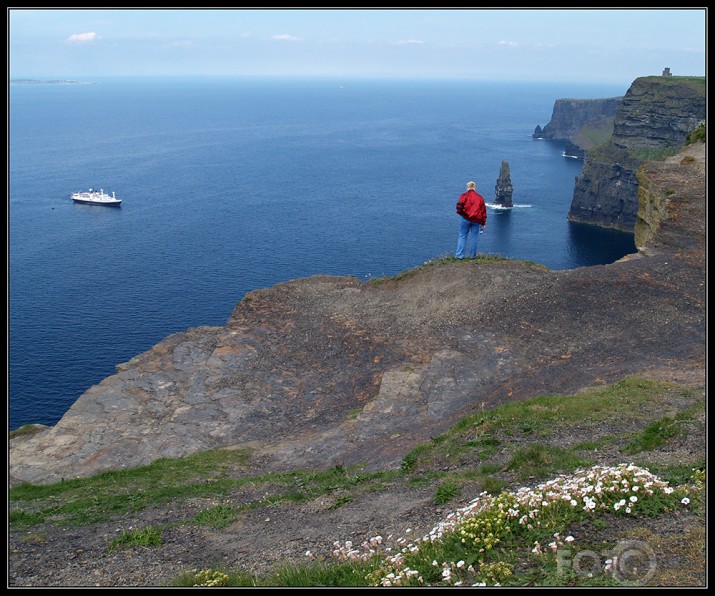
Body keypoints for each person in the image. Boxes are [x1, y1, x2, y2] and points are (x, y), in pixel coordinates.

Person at [455, 181, 487, 259]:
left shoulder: (464, 196)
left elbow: (459, 207)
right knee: (474, 238)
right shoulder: (480, 198)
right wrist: (483, 223)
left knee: (462, 236)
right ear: (474, 187)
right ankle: (472, 256)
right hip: (476, 220)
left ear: (467, 187)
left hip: (465, 218)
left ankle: (459, 256)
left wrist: (462, 214)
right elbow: (483, 211)